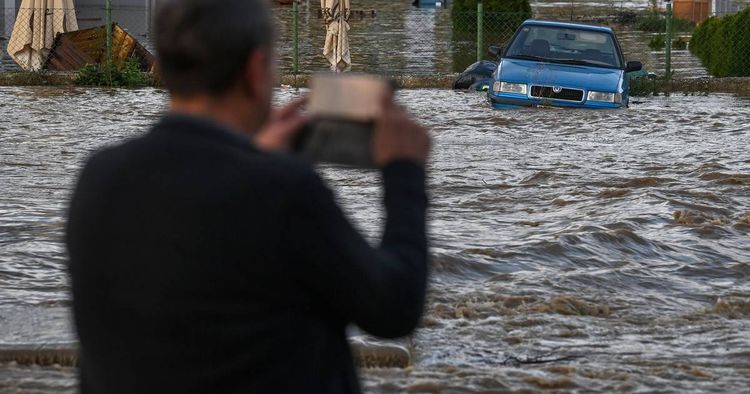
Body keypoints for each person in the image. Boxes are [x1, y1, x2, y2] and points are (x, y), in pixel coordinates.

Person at [65, 0, 430, 392]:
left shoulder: (99, 176)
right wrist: (404, 171)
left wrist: (253, 154)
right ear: (256, 72)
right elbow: (393, 307)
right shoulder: (284, 190)